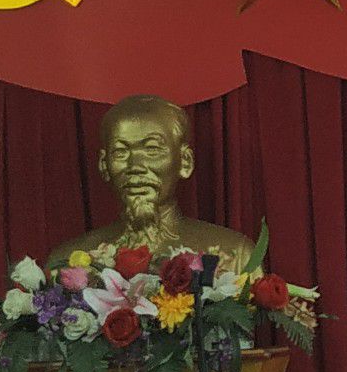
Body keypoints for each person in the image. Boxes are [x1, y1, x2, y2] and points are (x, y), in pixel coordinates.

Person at [46, 94, 252, 267]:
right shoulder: (68, 262)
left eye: (152, 149)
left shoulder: (233, 255)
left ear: (185, 162)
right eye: (121, 152)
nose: (135, 166)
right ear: (104, 165)